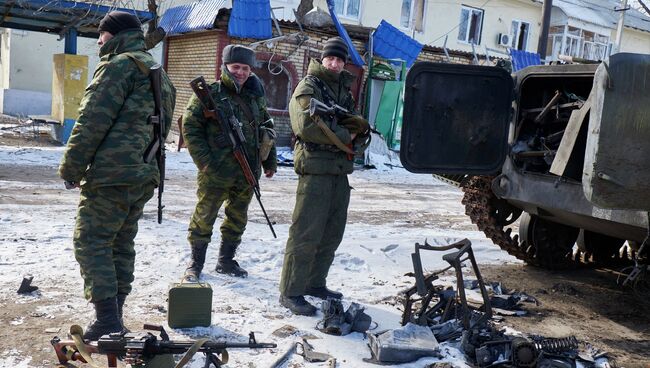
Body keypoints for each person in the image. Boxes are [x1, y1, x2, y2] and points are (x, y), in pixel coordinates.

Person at [58, 10, 176, 341]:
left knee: (92, 240)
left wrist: (71, 169)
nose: (98, 42)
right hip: (143, 174)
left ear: (114, 36)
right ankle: (115, 317)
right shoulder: (159, 73)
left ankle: (108, 319)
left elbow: (91, 122)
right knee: (121, 244)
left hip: (112, 174)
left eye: (101, 35)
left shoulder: (118, 67)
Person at [279, 37, 369, 315]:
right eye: (331, 58)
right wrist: (346, 135)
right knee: (305, 233)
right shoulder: (309, 86)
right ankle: (291, 291)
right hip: (316, 170)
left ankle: (315, 283)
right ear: (323, 58)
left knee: (331, 233)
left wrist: (355, 136)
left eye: (340, 60)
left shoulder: (344, 91)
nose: (335, 63)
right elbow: (306, 126)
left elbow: (359, 127)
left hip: (339, 171)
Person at [183, 44, 277, 280]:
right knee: (205, 217)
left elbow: (266, 129)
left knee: (237, 217)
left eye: (245, 68)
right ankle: (195, 264)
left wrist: (269, 162)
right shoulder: (210, 93)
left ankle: (226, 261)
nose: (241, 72)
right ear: (225, 66)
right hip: (216, 171)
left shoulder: (255, 97)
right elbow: (190, 127)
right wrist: (204, 162)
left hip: (247, 171)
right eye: (236, 67)